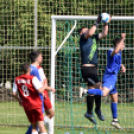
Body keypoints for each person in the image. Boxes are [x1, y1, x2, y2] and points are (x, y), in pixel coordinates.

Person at [80, 33, 126, 129]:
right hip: (109, 78)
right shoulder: (111, 51)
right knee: (104, 93)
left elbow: (118, 60)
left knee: (115, 98)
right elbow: (115, 52)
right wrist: (122, 38)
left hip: (113, 78)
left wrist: (122, 66)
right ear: (118, 45)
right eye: (123, 44)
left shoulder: (119, 52)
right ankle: (85, 91)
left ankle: (115, 120)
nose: (124, 45)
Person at [78, 14, 110, 124]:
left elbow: (104, 33)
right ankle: (96, 110)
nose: (88, 31)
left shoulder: (94, 38)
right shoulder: (83, 39)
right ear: (81, 33)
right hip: (87, 69)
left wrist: (105, 22)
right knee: (98, 87)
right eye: (85, 31)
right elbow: (90, 32)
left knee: (92, 91)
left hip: (93, 69)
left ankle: (90, 111)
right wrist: (96, 22)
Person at [25, 51, 55, 134]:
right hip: (40, 94)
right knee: (43, 118)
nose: (42, 58)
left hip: (36, 94)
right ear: (37, 58)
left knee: (41, 118)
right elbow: (39, 84)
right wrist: (46, 88)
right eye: (41, 56)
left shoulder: (31, 68)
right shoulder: (35, 70)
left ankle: (34, 130)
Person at [12, 63, 47, 134]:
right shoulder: (33, 78)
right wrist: (45, 86)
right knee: (41, 127)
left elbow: (14, 93)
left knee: (34, 127)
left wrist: (20, 100)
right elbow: (40, 90)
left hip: (27, 106)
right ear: (30, 70)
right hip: (36, 104)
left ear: (22, 70)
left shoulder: (17, 79)